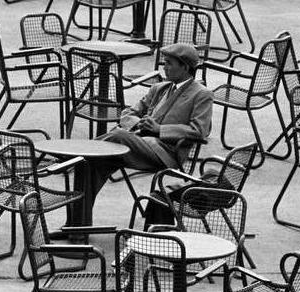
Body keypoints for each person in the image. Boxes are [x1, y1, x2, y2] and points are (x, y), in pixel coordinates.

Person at [83, 42, 213, 212]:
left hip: (166, 153)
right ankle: (78, 222)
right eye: (164, 62)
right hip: (140, 143)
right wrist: (138, 123)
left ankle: (80, 152)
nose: (164, 67)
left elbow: (200, 131)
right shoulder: (159, 88)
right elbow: (128, 112)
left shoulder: (201, 94)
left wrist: (159, 129)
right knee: (92, 165)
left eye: (169, 63)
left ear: (185, 67)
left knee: (118, 136)